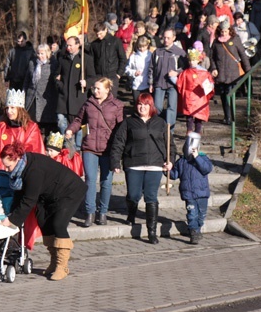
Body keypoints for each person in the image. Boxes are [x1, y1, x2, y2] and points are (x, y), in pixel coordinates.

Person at [0, 142, 86, 281]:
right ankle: (54, 262)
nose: (7, 169)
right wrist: (11, 213)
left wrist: (11, 220)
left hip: (70, 191)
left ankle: (62, 266)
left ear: (17, 159)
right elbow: (20, 194)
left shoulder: (34, 171)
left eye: (8, 166)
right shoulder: (22, 167)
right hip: (49, 193)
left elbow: (28, 200)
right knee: (43, 221)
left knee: (58, 224)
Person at [110, 93, 176, 244]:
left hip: (155, 165)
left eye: (145, 104)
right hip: (134, 164)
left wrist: (170, 161)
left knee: (151, 197)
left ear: (151, 106)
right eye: (140, 104)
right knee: (133, 195)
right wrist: (115, 162)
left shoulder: (160, 123)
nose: (142, 107)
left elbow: (170, 146)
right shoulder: (129, 122)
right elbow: (118, 142)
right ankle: (131, 213)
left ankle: (151, 232)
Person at [66, 77, 123, 227]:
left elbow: (121, 128)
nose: (95, 91)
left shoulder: (117, 106)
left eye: (98, 88)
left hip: (108, 149)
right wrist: (71, 130)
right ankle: (89, 213)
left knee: (106, 182)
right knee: (90, 180)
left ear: (107, 89)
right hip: (89, 147)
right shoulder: (88, 104)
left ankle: (102, 212)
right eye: (94, 88)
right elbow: (79, 120)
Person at [0, 88, 45, 177]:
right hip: (2, 169)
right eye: (7, 108)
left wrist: (16, 163)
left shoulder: (31, 127)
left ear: (20, 109)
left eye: (12, 108)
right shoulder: (2, 126)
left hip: (22, 171)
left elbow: (33, 150)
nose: (9, 111)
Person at [170, 132, 213, 245]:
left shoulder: (203, 158)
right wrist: (167, 170)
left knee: (201, 215)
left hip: (202, 193)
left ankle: (197, 230)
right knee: (192, 213)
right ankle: (193, 232)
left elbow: (206, 169)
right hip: (188, 194)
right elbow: (174, 175)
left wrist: (197, 157)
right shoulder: (182, 161)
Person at [56, 36, 96, 148]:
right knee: (60, 120)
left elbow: (93, 77)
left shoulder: (86, 59)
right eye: (67, 45)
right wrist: (60, 85)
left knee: (81, 124)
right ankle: (68, 144)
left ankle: (80, 147)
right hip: (64, 98)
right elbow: (56, 75)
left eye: (70, 45)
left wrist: (86, 83)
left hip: (79, 98)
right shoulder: (63, 59)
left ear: (78, 45)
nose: (68, 47)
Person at [209, 20, 251, 125]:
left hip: (233, 74)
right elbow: (212, 57)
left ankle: (231, 117)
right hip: (220, 73)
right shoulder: (216, 42)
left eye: (226, 31)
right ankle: (227, 116)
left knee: (229, 93)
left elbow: (242, 54)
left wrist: (248, 69)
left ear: (229, 30)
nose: (224, 33)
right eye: (222, 31)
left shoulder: (235, 40)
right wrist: (213, 68)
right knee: (223, 95)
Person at [149, 28, 187, 132]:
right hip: (159, 83)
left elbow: (186, 68)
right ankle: (158, 127)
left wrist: (177, 72)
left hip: (173, 85)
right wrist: (151, 83)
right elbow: (151, 68)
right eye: (164, 37)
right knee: (157, 107)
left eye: (168, 38)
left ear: (174, 38)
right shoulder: (157, 51)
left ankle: (170, 130)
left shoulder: (180, 52)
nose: (165, 40)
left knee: (171, 108)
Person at [176, 49, 215, 134]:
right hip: (189, 96)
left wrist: (210, 86)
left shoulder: (204, 73)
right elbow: (180, 82)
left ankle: (198, 131)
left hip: (199, 97)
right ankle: (189, 130)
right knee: (189, 115)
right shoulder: (185, 72)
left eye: (193, 60)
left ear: (198, 60)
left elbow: (209, 83)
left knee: (198, 115)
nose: (191, 62)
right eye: (190, 60)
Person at [23, 43, 59, 136]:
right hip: (32, 99)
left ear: (47, 53)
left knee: (45, 124)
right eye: (38, 53)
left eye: (42, 54)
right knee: (31, 123)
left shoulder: (53, 64)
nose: (40, 56)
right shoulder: (32, 63)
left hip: (46, 99)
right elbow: (27, 80)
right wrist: (24, 93)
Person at [88, 21, 127, 99]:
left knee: (111, 99)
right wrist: (93, 76)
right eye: (97, 34)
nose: (99, 36)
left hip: (112, 76)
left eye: (100, 33)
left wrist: (119, 74)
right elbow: (91, 62)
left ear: (105, 29)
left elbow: (122, 58)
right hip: (99, 76)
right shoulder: (94, 44)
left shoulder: (116, 41)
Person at [125, 35, 152, 105]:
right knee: (137, 104)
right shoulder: (133, 56)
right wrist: (134, 72)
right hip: (136, 84)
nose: (142, 49)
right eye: (140, 47)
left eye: (144, 47)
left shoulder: (151, 55)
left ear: (147, 46)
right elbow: (127, 69)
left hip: (147, 84)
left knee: (146, 104)